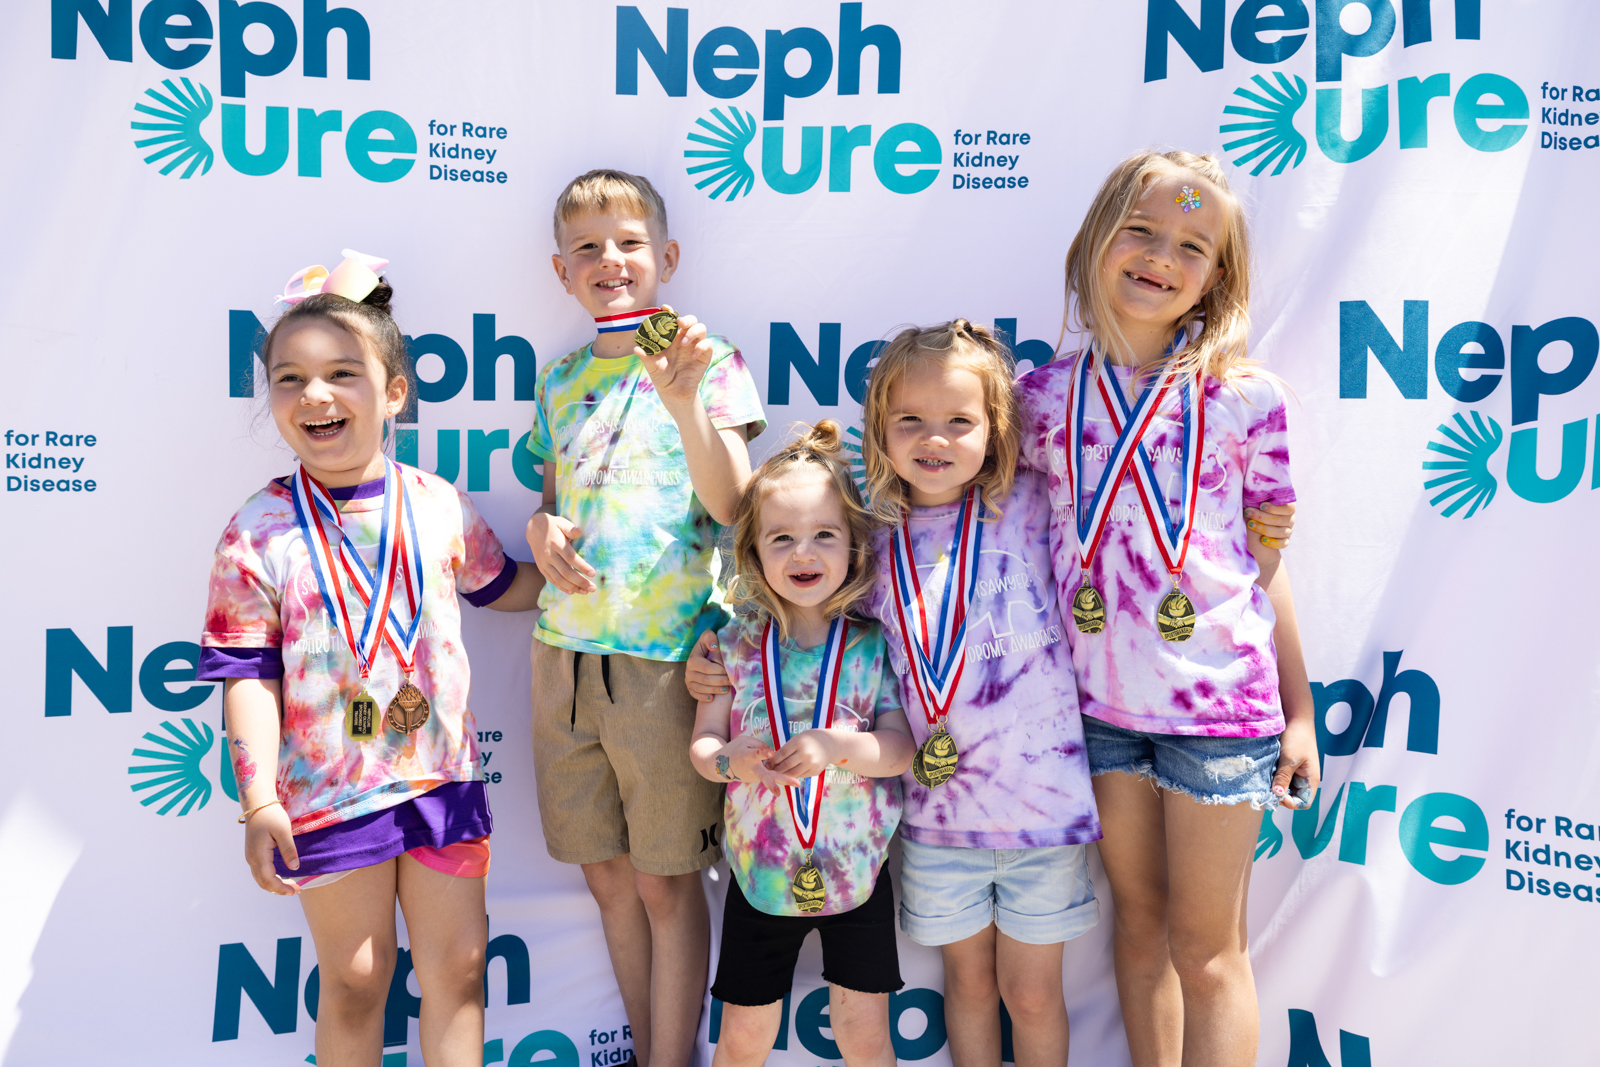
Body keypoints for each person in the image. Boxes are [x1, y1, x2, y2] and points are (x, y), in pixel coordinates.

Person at [691, 320, 1105, 1067]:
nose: (933, 438)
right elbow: (768, 520)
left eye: (958, 420)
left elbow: (1098, 450)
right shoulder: (872, 534)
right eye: (909, 420)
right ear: (878, 429)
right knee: (969, 989)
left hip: (1042, 805)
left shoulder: (1035, 500)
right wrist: (713, 660)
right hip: (936, 816)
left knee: (1035, 995)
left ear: (994, 426)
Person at [1014, 150, 1320, 1067]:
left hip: (1219, 715)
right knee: (1139, 929)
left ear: (1216, 278)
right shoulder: (1038, 401)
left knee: (1207, 948)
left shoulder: (1244, 399)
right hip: (1100, 711)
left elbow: (1268, 564)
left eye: (1192, 244)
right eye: (1140, 230)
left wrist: (1298, 708)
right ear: (1096, 239)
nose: (1159, 255)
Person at [199, 251, 543, 1067]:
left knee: (459, 971)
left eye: (341, 373)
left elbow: (508, 589)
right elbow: (248, 677)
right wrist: (256, 804)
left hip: (439, 782)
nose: (315, 395)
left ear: (393, 392)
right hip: (325, 794)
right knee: (356, 978)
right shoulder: (256, 530)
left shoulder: (436, 501)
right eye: (290, 378)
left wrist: (574, 564)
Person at [524, 169, 766, 1067]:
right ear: (561, 271)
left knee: (668, 886)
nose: (609, 260)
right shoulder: (559, 379)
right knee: (609, 879)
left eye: (628, 242)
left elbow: (739, 506)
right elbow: (552, 504)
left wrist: (682, 400)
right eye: (587, 247)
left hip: (669, 663)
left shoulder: (711, 363)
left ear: (665, 258)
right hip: (565, 661)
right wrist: (539, 526)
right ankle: (644, 1048)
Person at [689, 421, 915, 1067]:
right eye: (781, 537)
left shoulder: (874, 644)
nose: (803, 552)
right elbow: (704, 747)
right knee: (742, 1040)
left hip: (857, 875)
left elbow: (898, 750)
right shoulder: (730, 646)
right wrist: (735, 760)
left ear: (853, 544)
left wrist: (835, 745)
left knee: (866, 1037)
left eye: (824, 534)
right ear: (754, 554)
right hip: (759, 877)